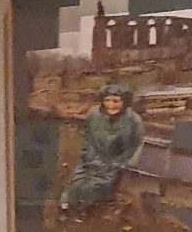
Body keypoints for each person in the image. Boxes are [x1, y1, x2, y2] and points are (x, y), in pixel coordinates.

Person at [61, 82, 144, 212]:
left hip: (115, 161)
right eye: (107, 100)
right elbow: (86, 135)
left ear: (124, 102)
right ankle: (67, 207)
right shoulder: (94, 114)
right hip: (92, 157)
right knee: (75, 184)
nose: (111, 105)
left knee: (93, 187)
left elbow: (136, 145)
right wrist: (87, 154)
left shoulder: (134, 120)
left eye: (116, 101)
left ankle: (86, 209)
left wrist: (122, 162)